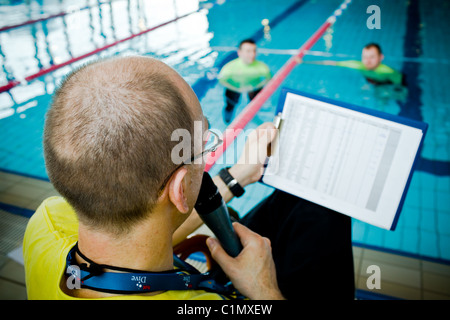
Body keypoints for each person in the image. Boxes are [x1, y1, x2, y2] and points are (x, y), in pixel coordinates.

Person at [23, 56, 354, 300]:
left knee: (303, 203)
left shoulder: (47, 221)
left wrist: (237, 176)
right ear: (181, 189)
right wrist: (263, 288)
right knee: (330, 211)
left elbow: (141, 227)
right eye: (205, 143)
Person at [218, 39, 272, 123]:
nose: (252, 54)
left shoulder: (262, 67)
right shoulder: (229, 68)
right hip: (234, 88)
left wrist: (255, 87)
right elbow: (222, 81)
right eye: (248, 51)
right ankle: (227, 121)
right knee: (230, 105)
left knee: (255, 105)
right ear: (239, 53)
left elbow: (269, 79)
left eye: (254, 51)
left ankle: (253, 115)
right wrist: (237, 89)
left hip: (254, 88)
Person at [305, 43, 404, 86]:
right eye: (365, 57)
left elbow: (400, 85)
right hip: (370, 80)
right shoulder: (357, 65)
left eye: (372, 57)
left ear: (381, 57)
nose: (368, 61)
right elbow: (331, 63)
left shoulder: (388, 72)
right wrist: (304, 62)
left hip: (385, 83)